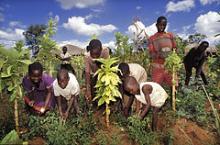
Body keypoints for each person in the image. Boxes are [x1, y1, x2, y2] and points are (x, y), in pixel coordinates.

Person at [148, 16, 177, 87]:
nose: (162, 27)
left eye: (164, 25)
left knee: (174, 86)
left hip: (170, 67)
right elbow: (151, 54)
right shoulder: (152, 38)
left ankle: (173, 98)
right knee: (156, 88)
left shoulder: (170, 36)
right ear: (156, 25)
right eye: (160, 25)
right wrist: (160, 54)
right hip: (157, 68)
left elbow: (175, 48)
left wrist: (172, 56)